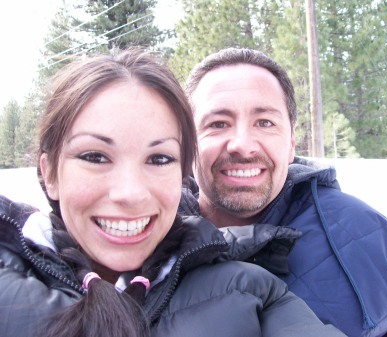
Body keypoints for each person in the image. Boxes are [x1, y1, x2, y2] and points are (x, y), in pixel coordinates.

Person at [0, 48, 347, 337]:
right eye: (95, 156)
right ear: (50, 173)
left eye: (159, 158)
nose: (131, 193)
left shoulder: (251, 293)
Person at [179, 47, 387, 336]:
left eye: (265, 122)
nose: (243, 145)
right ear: (187, 141)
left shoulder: (371, 239)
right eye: (218, 124)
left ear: (292, 141)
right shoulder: (146, 245)